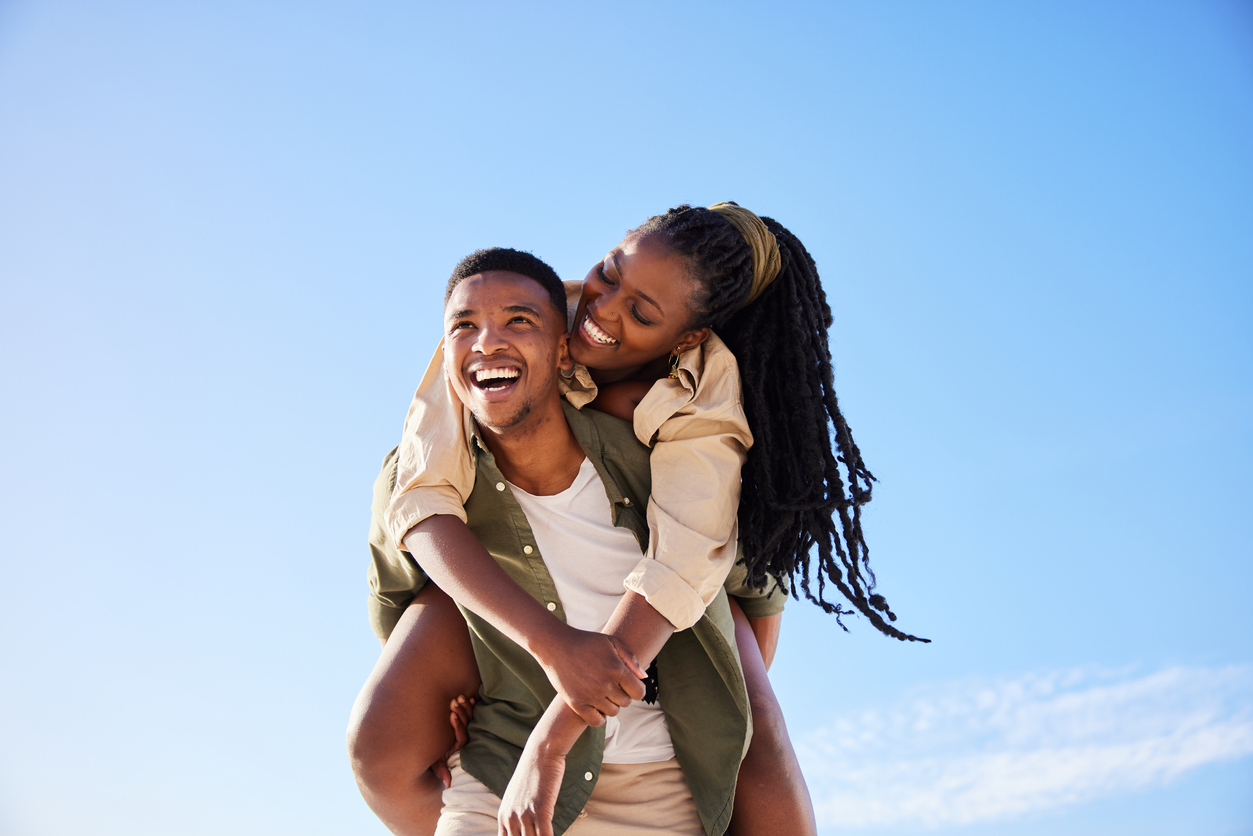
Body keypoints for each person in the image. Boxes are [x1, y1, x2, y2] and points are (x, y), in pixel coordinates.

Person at [372, 257, 770, 835]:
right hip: (505, 762)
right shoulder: (428, 476)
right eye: (464, 326)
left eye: (519, 321)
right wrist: (463, 682)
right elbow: (396, 578)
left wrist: (757, 702)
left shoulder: (652, 456)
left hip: (658, 782)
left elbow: (747, 581)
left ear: (563, 352)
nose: (488, 341)